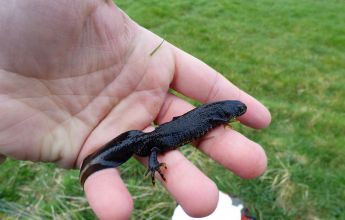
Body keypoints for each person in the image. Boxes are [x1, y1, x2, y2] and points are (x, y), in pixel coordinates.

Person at [0, 1, 271, 219]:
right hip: (154, 141)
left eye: (235, 113)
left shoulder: (217, 113)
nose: (236, 114)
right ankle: (114, 162)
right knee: (153, 146)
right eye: (236, 113)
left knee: (161, 140)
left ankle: (109, 160)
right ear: (227, 114)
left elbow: (212, 116)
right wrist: (154, 163)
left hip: (159, 135)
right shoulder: (215, 114)